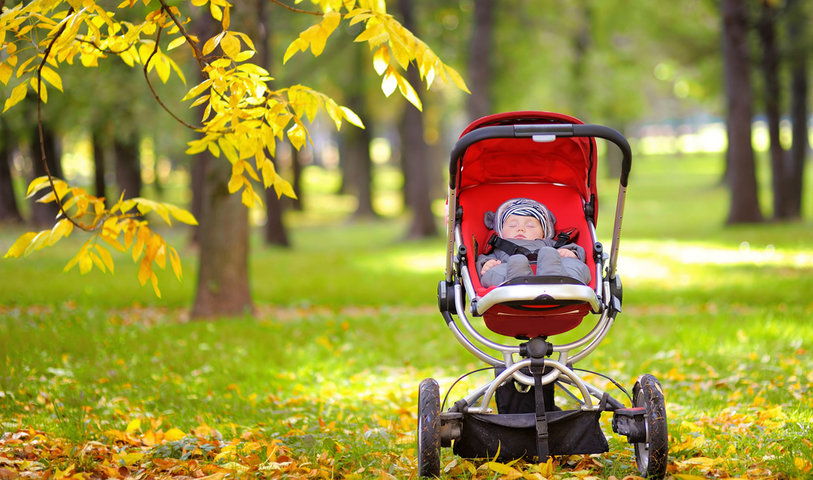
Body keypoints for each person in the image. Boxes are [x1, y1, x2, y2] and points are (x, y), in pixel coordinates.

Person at [477, 197, 591, 287]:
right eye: (512, 225)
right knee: (495, 270)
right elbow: (484, 259)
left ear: (543, 233)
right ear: (500, 231)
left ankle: (557, 277)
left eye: (530, 226)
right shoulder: (499, 246)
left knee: (564, 260)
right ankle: (517, 279)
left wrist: (570, 253)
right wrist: (488, 263)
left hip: (554, 266)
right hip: (510, 272)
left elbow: (574, 248)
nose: (520, 229)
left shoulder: (548, 243)